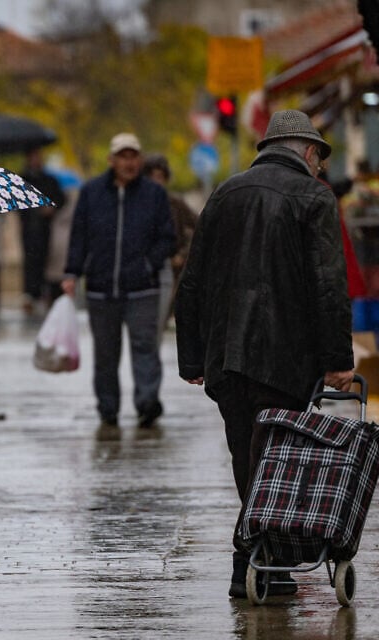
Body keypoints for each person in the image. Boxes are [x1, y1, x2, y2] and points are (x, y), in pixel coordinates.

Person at [175, 109, 354, 599]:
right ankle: (254, 561)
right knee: (276, 462)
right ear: (309, 151)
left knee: (248, 458)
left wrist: (191, 357)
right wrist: (338, 359)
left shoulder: (224, 193)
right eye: (319, 157)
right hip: (285, 358)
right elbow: (328, 288)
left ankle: (261, 564)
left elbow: (191, 281)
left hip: (227, 359)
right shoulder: (314, 196)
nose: (320, 167)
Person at [62, 133, 175, 429]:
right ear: (111, 160)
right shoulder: (91, 193)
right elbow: (79, 236)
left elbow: (168, 238)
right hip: (101, 289)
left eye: (133, 156)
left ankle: (148, 403)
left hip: (143, 288)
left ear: (140, 159)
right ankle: (108, 408)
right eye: (122, 156)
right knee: (106, 354)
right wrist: (72, 272)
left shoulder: (154, 194)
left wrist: (148, 264)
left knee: (145, 347)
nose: (129, 162)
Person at [141, 153, 198, 338]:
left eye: (160, 177)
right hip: (141, 271)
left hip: (170, 272)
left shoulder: (175, 204)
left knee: (158, 325)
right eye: (152, 176)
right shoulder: (137, 204)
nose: (157, 181)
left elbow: (199, 227)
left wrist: (183, 254)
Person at [19, 145, 66, 317]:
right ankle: (32, 294)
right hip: (29, 228)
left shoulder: (50, 180)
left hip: (46, 229)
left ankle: (46, 293)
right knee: (30, 262)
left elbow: (60, 199)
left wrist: (51, 209)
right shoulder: (22, 178)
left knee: (48, 260)